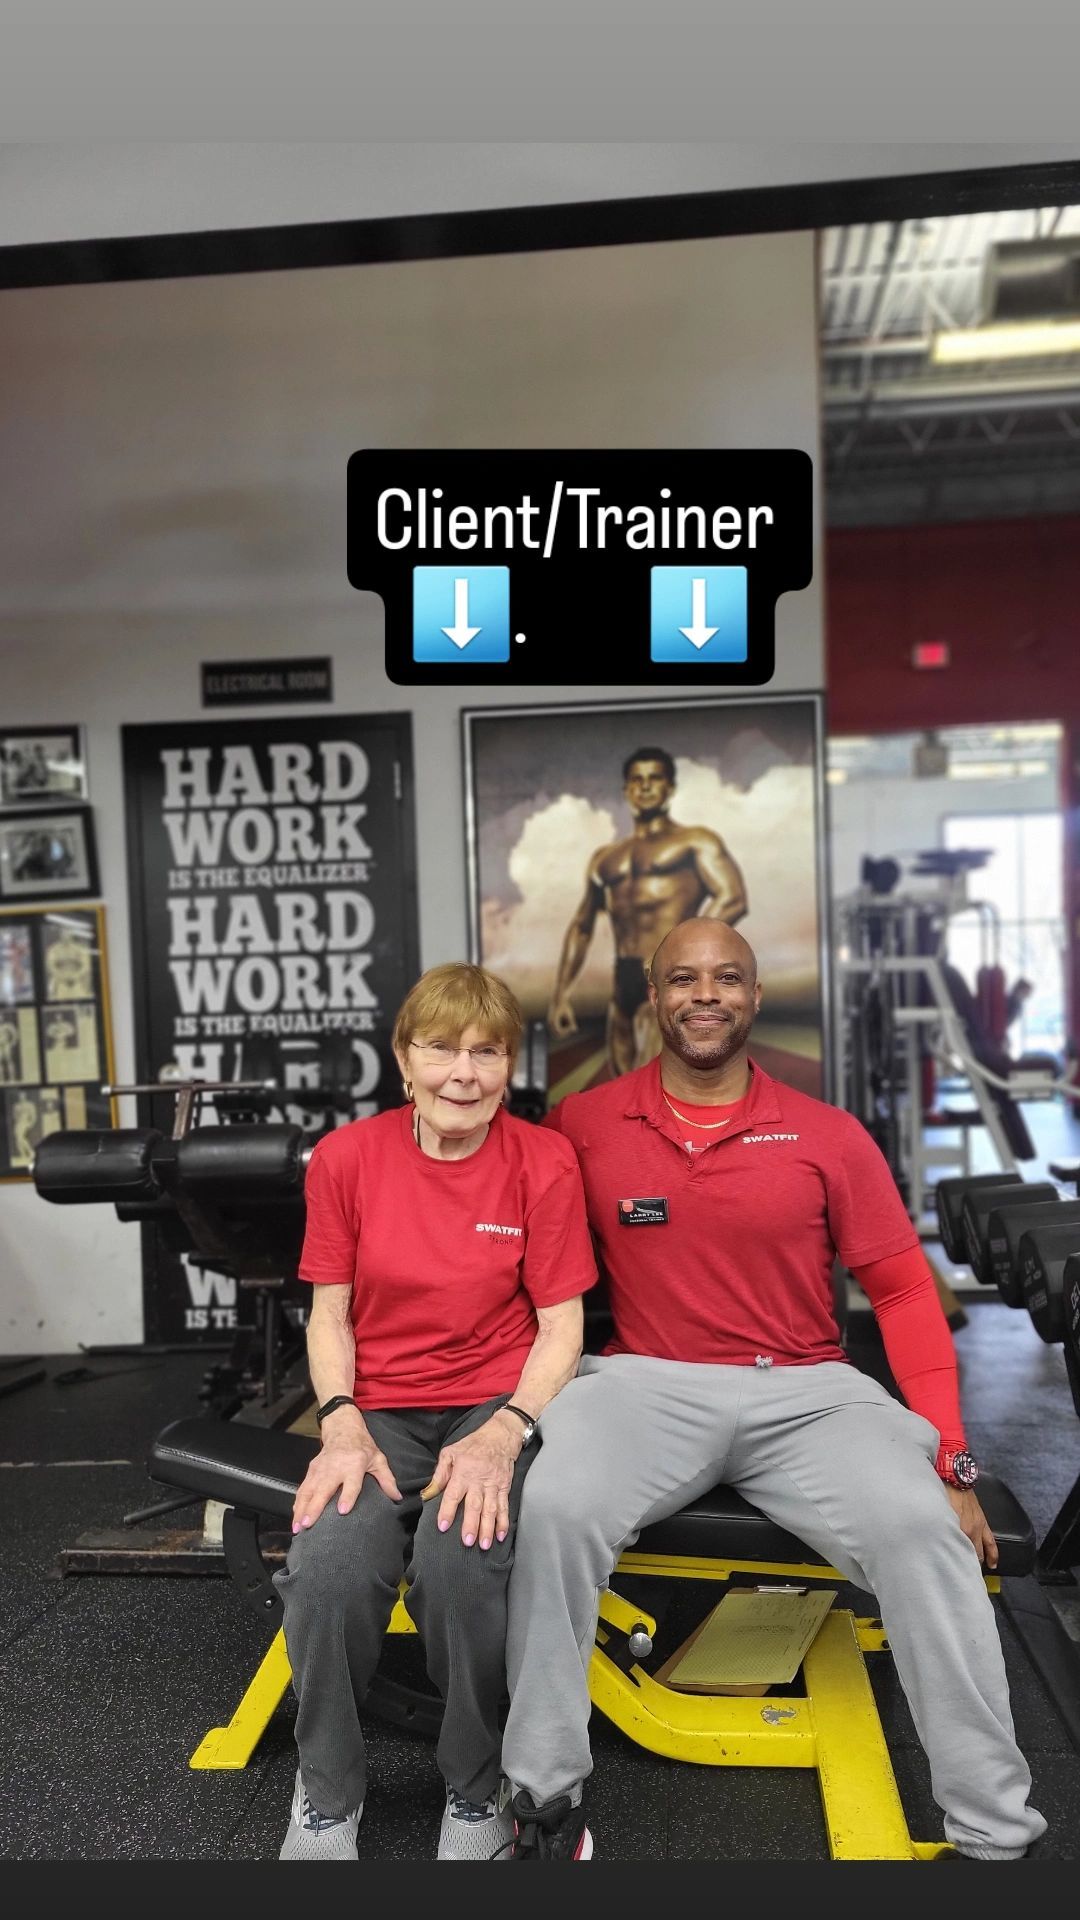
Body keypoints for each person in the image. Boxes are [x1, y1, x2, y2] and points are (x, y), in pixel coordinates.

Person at [500, 918, 1046, 1862]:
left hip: (809, 1392)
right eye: (682, 978)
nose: (703, 994)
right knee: (554, 1507)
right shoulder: (584, 1126)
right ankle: (541, 1796)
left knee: (925, 1535)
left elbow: (907, 1290)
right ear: (653, 1002)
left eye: (726, 978)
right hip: (644, 1382)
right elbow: (506, 1244)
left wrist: (950, 1455)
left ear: (754, 998)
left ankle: (997, 1834)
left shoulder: (829, 1137)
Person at [274, 961, 596, 1863]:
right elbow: (329, 1312)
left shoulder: (543, 1160)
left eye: (488, 1052)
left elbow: (561, 1329)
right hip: (375, 1409)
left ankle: (474, 1785)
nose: (465, 1072)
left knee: (462, 1568)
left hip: (493, 1406)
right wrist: (339, 1420)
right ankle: (328, 1794)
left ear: (509, 1063)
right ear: (403, 1059)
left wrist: (505, 1431)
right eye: (441, 1049)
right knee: (331, 1564)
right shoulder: (348, 1158)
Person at [547, 747, 747, 1078]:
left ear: (670, 788)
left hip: (671, 977)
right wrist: (561, 995)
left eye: (654, 778)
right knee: (624, 1088)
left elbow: (733, 897)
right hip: (623, 977)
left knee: (656, 1084)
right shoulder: (606, 858)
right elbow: (582, 926)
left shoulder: (695, 841)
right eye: (636, 780)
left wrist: (677, 956)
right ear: (626, 790)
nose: (645, 787)